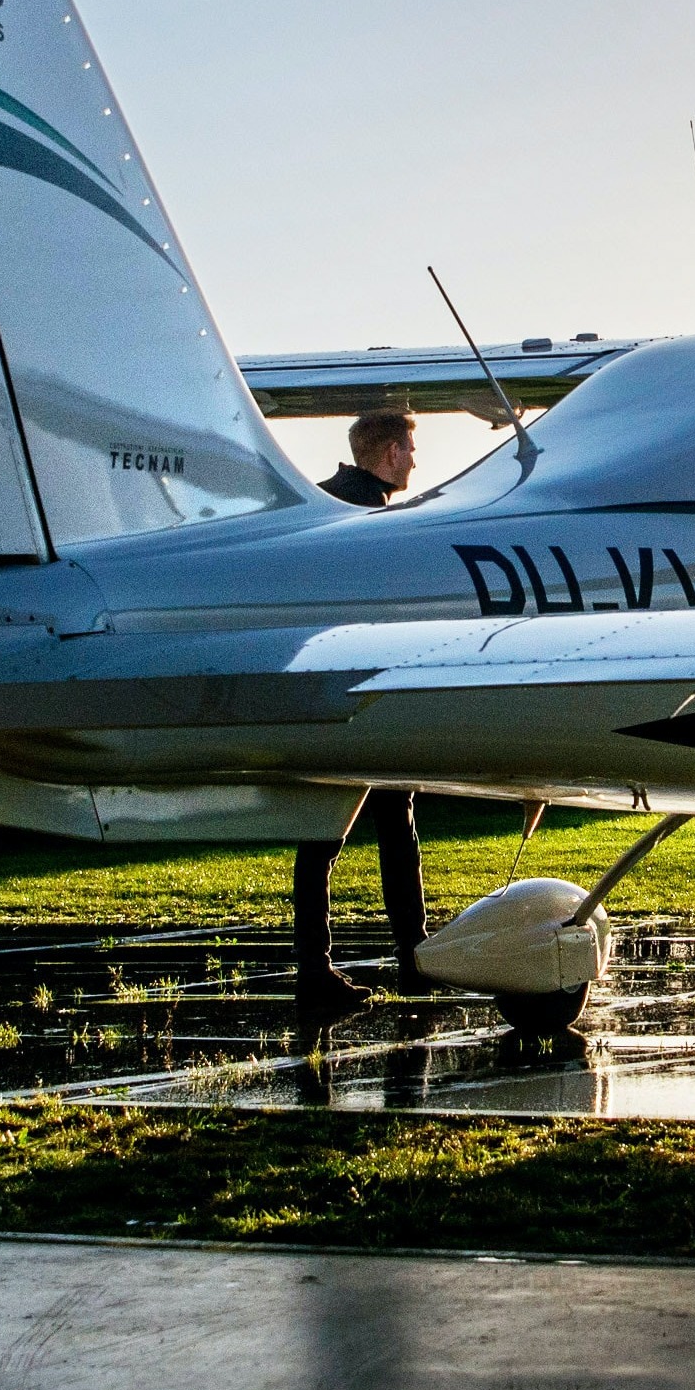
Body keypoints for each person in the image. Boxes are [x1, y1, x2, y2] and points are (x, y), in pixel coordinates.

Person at [293, 410, 428, 1009]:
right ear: (392, 452)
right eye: (411, 450)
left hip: (319, 688)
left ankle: (315, 965)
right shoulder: (380, 518)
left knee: (319, 835)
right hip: (368, 689)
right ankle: (412, 955)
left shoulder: (316, 504)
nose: (416, 463)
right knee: (394, 828)